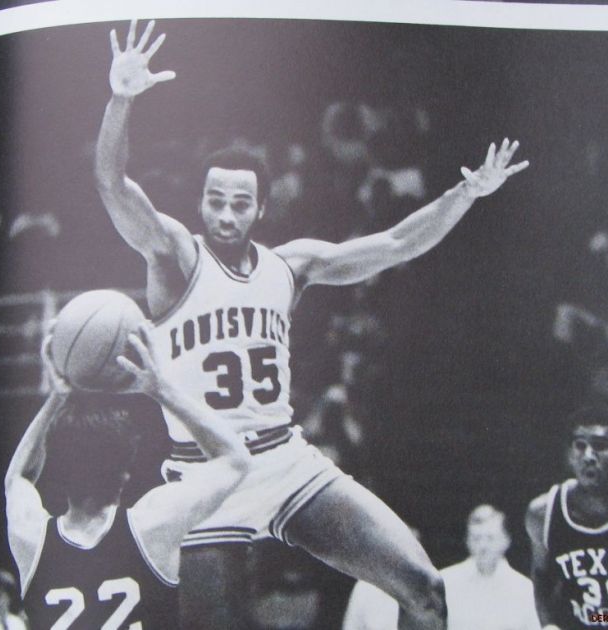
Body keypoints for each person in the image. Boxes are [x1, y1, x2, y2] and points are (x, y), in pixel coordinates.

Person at [95, 20, 528, 630]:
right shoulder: (172, 256)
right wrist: (121, 99)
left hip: (284, 459)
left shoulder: (290, 265)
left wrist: (466, 194)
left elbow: (397, 242)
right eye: (215, 199)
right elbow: (114, 187)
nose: (225, 212)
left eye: (240, 202)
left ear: (261, 208)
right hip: (205, 473)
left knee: (426, 591)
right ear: (201, 201)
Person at [4, 321, 250, 628]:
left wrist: (56, 397)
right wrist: (161, 390)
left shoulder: (32, 540)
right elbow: (235, 459)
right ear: (123, 477)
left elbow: (17, 478)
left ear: (60, 476)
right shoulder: (151, 526)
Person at [525, 407, 608, 630]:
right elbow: (541, 577)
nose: (588, 456)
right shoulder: (543, 512)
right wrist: (548, 624)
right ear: (570, 456)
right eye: (580, 446)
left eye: (599, 445)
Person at [441, 505, 540, 630]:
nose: (483, 546)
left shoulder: (524, 589)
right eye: (476, 538)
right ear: (467, 541)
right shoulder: (446, 582)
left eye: (490, 538)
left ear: (506, 541)